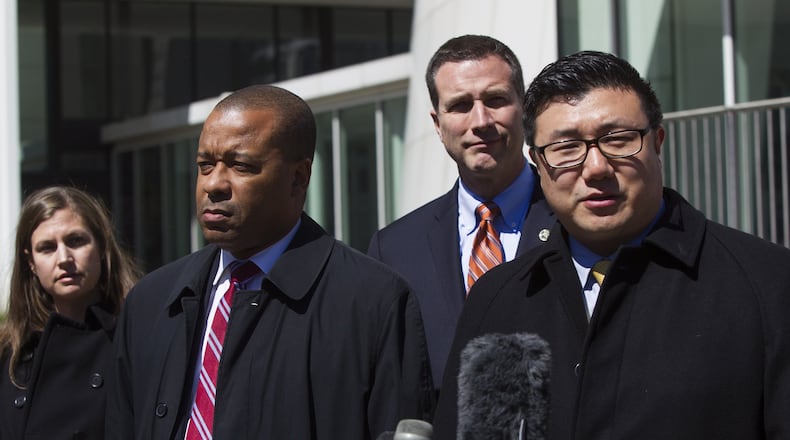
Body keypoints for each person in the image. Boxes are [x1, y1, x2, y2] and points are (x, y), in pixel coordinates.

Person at [433, 50, 790, 439]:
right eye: (566, 148)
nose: (596, 167)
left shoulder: (768, 287)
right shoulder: (498, 299)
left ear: (658, 141)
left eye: (618, 140)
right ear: (538, 163)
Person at [106, 84, 434, 440]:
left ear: (299, 178)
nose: (214, 184)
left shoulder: (375, 302)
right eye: (205, 165)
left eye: (241, 166)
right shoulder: (151, 301)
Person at [367, 35, 554, 392]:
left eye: (496, 100)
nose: (480, 120)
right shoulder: (394, 250)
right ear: (438, 125)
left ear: (524, 109)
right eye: (460, 106)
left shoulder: (577, 222)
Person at [0, 186, 141, 439]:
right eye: (47, 248)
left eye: (75, 241)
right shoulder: (10, 354)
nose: (64, 258)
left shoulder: (135, 340)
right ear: (30, 262)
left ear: (101, 246)